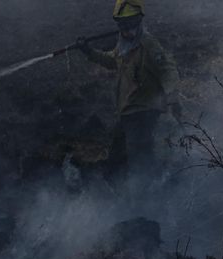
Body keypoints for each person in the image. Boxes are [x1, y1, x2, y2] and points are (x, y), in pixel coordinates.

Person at [77, 0, 180, 183]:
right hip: (128, 112)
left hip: (144, 111)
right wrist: (88, 51)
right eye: (123, 24)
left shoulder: (147, 44)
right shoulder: (125, 45)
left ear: (139, 21)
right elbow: (112, 61)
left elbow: (168, 69)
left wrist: (172, 98)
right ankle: (116, 191)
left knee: (139, 159)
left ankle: (143, 199)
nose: (127, 29)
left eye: (131, 23)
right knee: (117, 154)